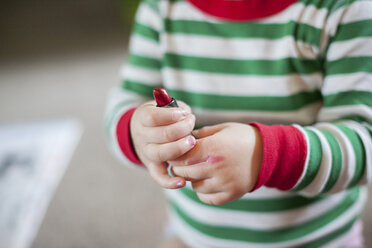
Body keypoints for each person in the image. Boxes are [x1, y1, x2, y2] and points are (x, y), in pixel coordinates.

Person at [105, 0, 372, 247]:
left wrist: (267, 156)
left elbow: (364, 142)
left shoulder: (345, 9)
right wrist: (139, 133)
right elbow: (125, 103)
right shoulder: (161, 8)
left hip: (317, 239)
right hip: (192, 236)